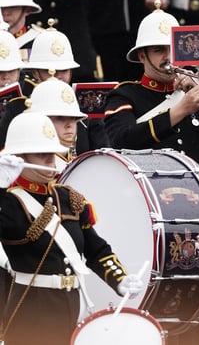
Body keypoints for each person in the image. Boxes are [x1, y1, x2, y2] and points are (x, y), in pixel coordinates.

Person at [103, 4, 199, 344]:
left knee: (189, 302)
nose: (168, 56)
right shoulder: (126, 95)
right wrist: (178, 108)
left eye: (173, 48)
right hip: (143, 215)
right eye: (159, 50)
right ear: (142, 56)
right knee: (144, 303)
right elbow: (121, 141)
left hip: (193, 216)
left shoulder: (197, 92)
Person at [0, 112, 143, 345]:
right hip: (31, 310)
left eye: (51, 152)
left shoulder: (69, 198)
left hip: (71, 306)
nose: (50, 160)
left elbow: (96, 249)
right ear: (19, 156)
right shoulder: (10, 203)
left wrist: (120, 279)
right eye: (41, 154)